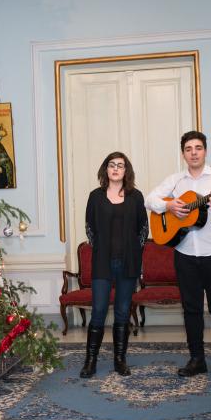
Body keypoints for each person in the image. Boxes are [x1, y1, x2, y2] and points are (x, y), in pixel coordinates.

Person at [146, 131, 211, 378]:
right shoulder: (176, 180)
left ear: (205, 151)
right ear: (183, 153)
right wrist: (169, 205)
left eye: (198, 148)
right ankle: (196, 359)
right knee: (191, 310)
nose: (193, 152)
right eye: (188, 149)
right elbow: (150, 199)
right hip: (185, 254)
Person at [80, 151, 148, 378]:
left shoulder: (136, 197)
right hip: (102, 263)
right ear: (106, 170)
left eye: (120, 165)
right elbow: (89, 228)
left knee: (121, 312)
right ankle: (90, 361)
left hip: (128, 263)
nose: (116, 169)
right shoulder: (95, 196)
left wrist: (135, 253)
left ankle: (120, 360)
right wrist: (100, 248)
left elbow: (143, 229)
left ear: (126, 170)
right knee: (98, 311)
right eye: (112, 165)